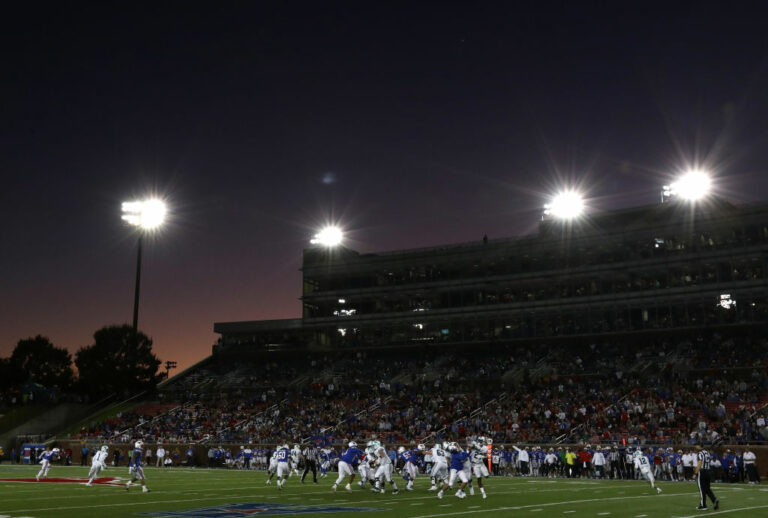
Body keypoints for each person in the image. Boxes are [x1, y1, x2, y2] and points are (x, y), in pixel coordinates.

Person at [694, 445, 718, 510]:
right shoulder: (707, 453)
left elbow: (699, 463)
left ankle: (703, 505)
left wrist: (695, 473)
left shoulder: (700, 453)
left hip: (702, 472)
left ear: (700, 446)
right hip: (708, 472)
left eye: (697, 446)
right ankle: (714, 499)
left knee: (702, 489)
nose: (696, 447)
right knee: (707, 489)